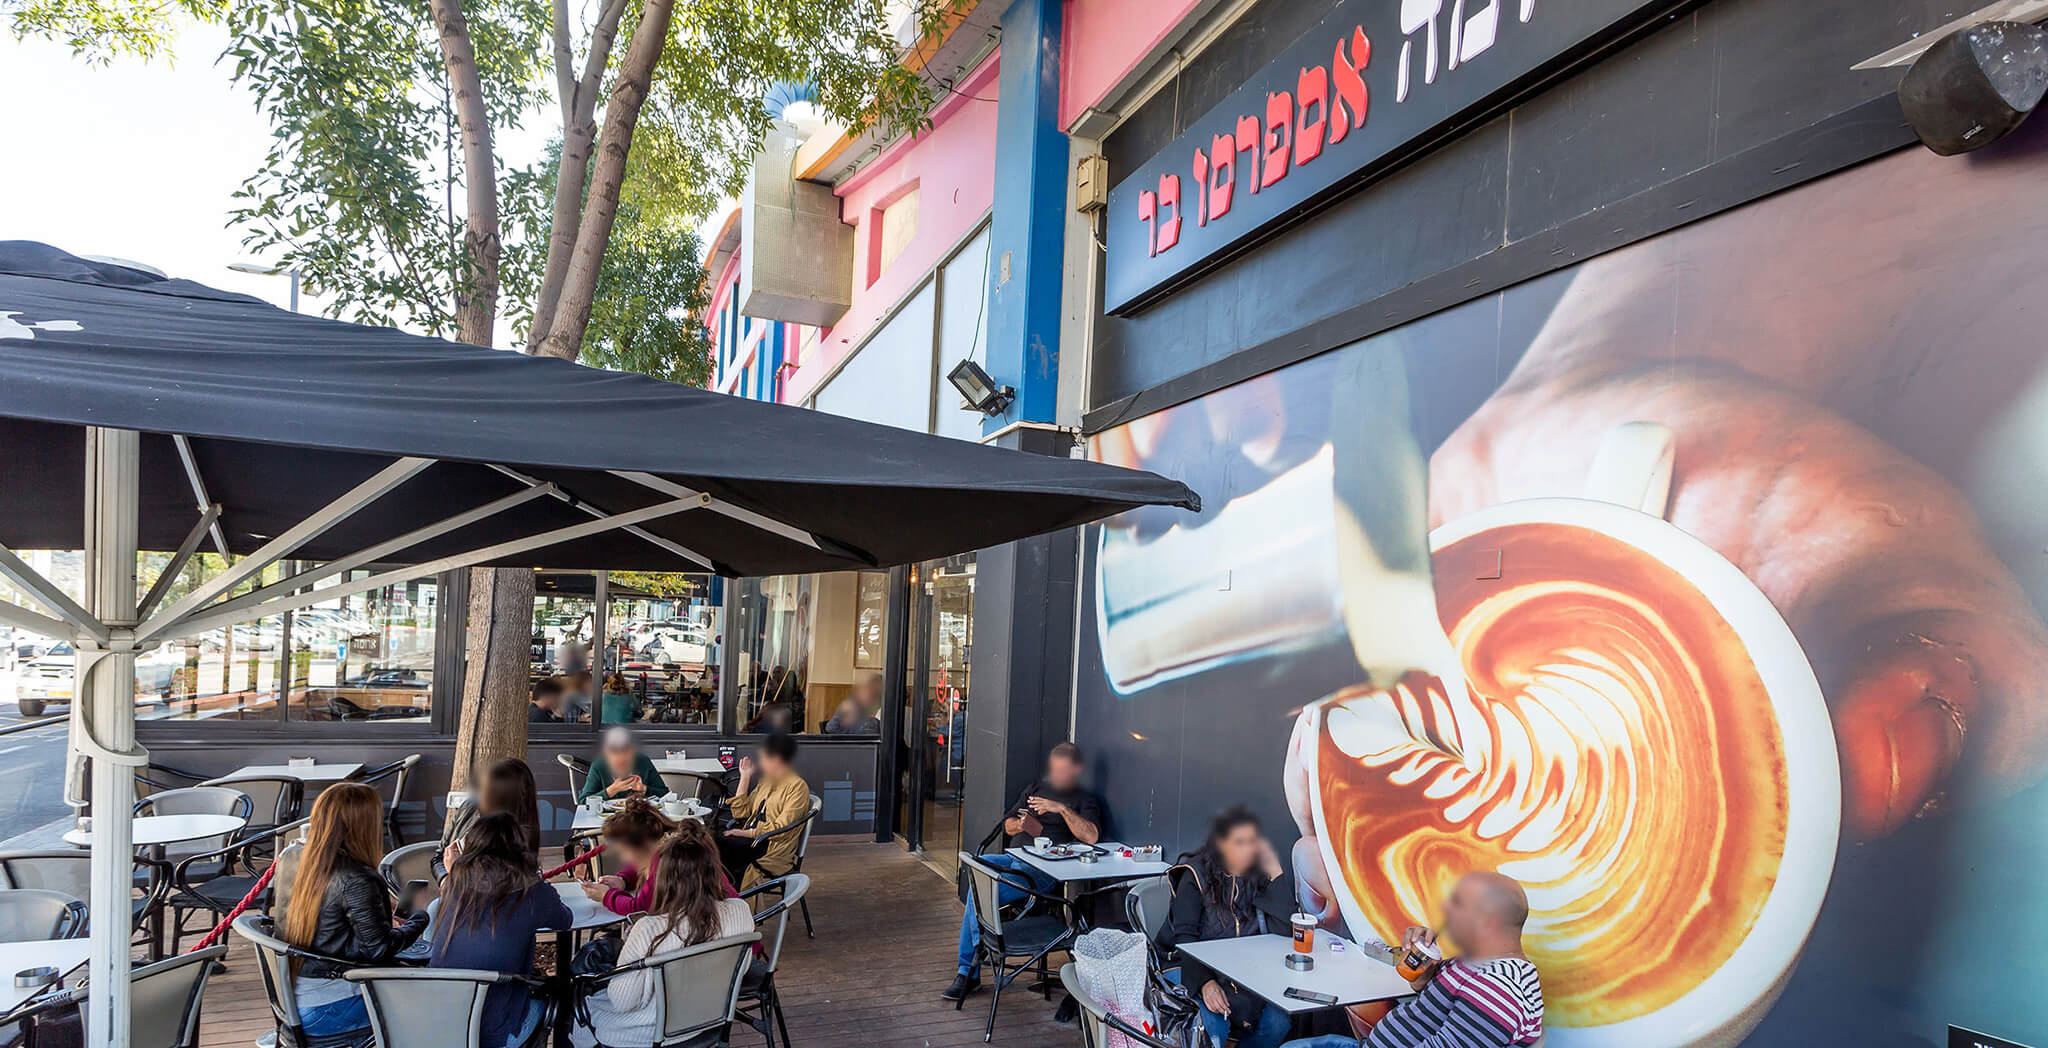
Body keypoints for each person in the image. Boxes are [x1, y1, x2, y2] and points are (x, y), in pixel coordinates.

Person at [1283, 872, 1543, 1048]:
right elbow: (1425, 1000)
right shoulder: (1474, 961)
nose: (1446, 911)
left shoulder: (1497, 988)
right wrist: (1424, 971)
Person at [940, 742, 1104, 1001]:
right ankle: (973, 961)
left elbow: (1091, 836)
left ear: (1076, 770)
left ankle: (967, 972)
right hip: (1012, 857)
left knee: (981, 891)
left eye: (1063, 771)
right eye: (1055, 770)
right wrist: (1023, 824)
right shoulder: (1035, 789)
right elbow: (1007, 826)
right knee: (978, 869)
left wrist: (1060, 809)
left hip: (1039, 870)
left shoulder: (1083, 800)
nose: (1057, 776)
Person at [570, 823, 754, 1048]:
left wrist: (631, 948)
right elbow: (740, 968)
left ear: (663, 878)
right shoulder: (740, 911)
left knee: (579, 1008)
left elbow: (623, 1001)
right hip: (710, 1020)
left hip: (649, 1032)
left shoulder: (650, 929)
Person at [280, 783, 427, 1038]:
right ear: (363, 825)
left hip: (299, 998)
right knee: (442, 1002)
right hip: (331, 1006)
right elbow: (377, 950)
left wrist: (376, 914)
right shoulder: (357, 878)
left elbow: (329, 923)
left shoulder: (300, 861)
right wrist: (419, 917)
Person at [431, 812, 573, 1048]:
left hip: (436, 1023)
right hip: (497, 1030)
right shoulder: (531, 892)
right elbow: (564, 919)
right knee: (554, 997)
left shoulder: (454, 885)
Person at [1161, 807, 1294, 1048]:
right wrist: (1205, 983)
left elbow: (1284, 931)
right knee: (1214, 1025)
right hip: (1187, 965)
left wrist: (1276, 872)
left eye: (1252, 842)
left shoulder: (1257, 876)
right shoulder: (1196, 874)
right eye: (1239, 842)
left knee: (1278, 1023)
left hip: (1238, 971)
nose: (1247, 850)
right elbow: (1184, 937)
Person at [718, 731, 810, 890]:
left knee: (719, 849)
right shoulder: (766, 781)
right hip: (752, 841)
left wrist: (745, 833)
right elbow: (741, 813)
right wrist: (745, 777)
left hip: (770, 848)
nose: (761, 763)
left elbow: (782, 829)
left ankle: (732, 902)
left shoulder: (797, 787)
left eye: (765, 758)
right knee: (709, 843)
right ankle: (723, 899)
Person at [441, 758, 542, 872]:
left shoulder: (515, 839)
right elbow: (439, 854)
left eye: (485, 788)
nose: (478, 793)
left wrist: (455, 871)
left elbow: (492, 886)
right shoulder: (469, 807)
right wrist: (444, 879)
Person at [581, 797, 673, 915]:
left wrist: (606, 896)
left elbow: (640, 909)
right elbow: (638, 863)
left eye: (624, 851)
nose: (623, 858)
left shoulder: (663, 862)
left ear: (643, 844)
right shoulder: (660, 846)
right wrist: (623, 880)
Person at [578, 726, 669, 803]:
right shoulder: (599, 765)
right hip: (608, 819)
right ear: (606, 752)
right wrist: (611, 790)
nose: (621, 757)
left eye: (625, 750)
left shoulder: (643, 762)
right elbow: (583, 802)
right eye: (614, 751)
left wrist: (643, 788)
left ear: (633, 750)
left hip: (640, 817)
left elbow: (665, 795)